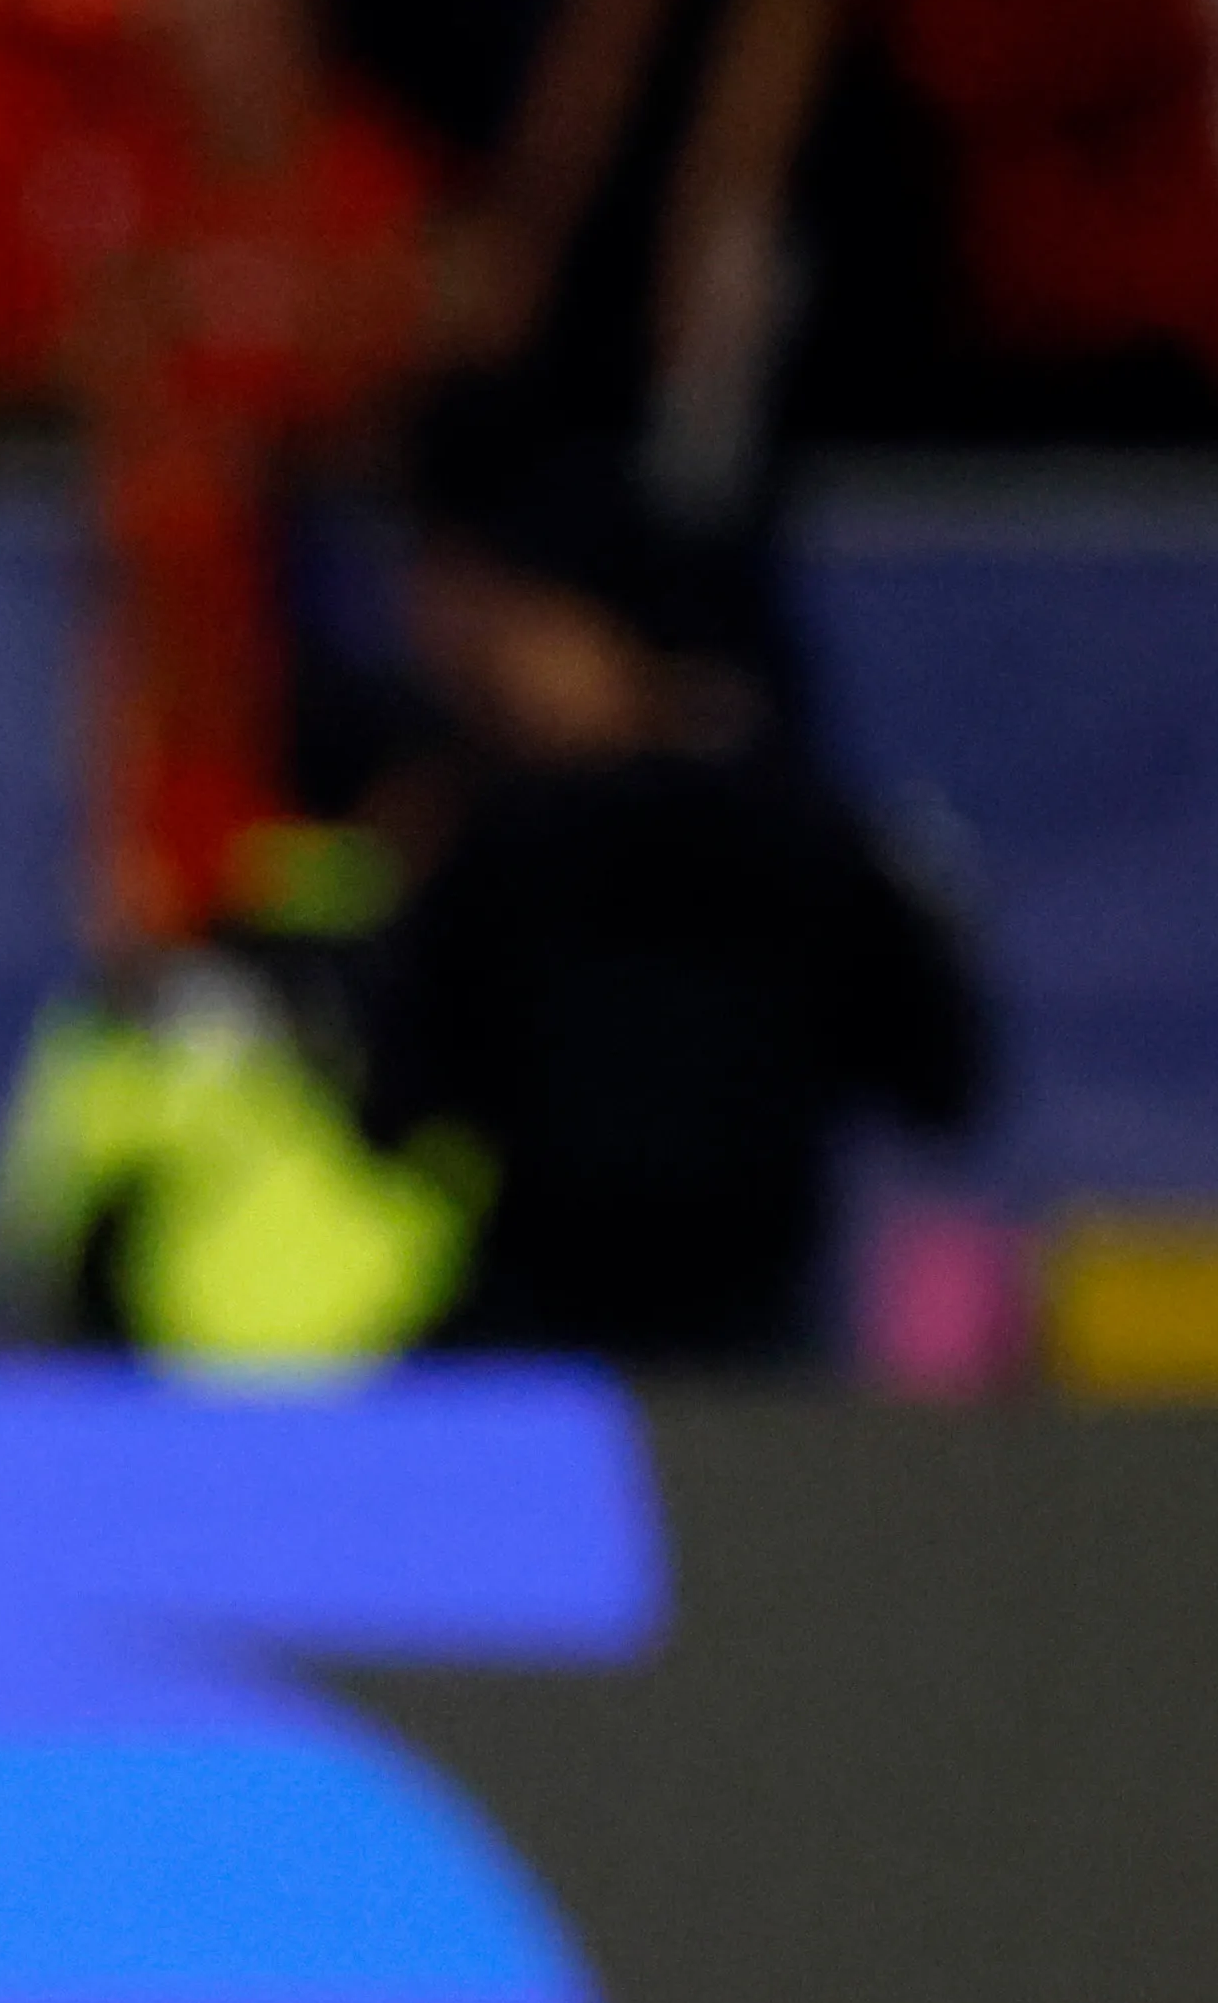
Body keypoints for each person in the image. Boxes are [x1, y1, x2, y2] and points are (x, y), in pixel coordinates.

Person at [368, 471, 987, 1363]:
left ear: (618, 637)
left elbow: (399, 1102)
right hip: (753, 1349)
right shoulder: (824, 839)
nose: (508, 665)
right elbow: (940, 1085)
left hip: (556, 1339)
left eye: (540, 629)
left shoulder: (509, 841)